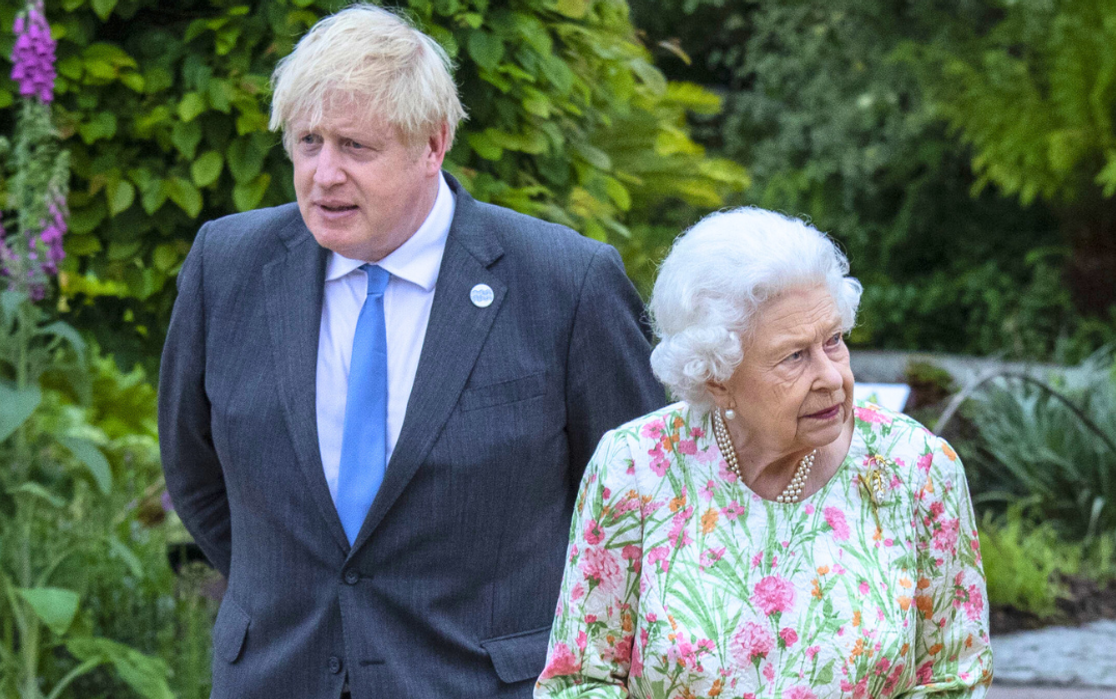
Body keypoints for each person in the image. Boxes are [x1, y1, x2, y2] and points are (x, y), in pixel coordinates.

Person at [157, 5, 664, 699]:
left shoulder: (563, 283)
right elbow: (193, 467)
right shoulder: (229, 264)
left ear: (433, 144)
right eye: (307, 142)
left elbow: (640, 505)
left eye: (355, 147)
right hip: (278, 675)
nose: (324, 174)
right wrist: (295, 592)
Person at [535, 208, 993, 698]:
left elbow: (953, 680)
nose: (833, 376)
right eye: (794, 356)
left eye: (834, 341)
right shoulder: (635, 468)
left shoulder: (917, 467)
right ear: (717, 379)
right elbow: (581, 680)